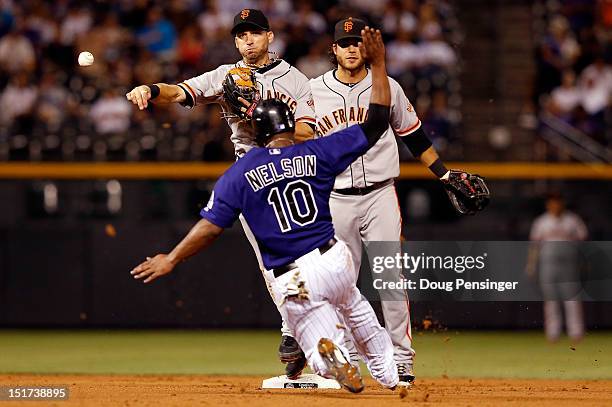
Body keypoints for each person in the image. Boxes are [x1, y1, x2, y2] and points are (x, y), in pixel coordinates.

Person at [130, 27, 402, 393]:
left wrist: (172, 259)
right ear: (289, 123)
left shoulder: (239, 175)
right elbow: (375, 123)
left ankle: (328, 359)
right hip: (335, 260)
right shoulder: (317, 154)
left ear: (254, 130)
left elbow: (210, 228)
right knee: (359, 312)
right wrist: (380, 63)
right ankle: (391, 376)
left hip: (292, 276)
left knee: (311, 330)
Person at [125, 8, 316, 379]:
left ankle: (311, 329)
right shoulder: (224, 75)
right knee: (271, 262)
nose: (248, 40)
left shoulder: (294, 79)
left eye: (255, 33)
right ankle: (293, 330)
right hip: (251, 175)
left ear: (270, 37)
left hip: (292, 173)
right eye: (241, 35)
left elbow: (309, 131)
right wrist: (149, 89)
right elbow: (180, 91)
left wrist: (261, 112)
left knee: (308, 257)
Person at [308, 17, 455, 385]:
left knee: (391, 276)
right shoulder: (313, 90)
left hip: (380, 194)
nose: (352, 47)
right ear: (333, 50)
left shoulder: (387, 86)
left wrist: (446, 175)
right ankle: (351, 358)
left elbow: (415, 136)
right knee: (340, 283)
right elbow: (300, 135)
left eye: (358, 41)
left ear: (368, 47)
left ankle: (402, 358)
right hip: (335, 197)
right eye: (345, 43)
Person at [527, 193, 588, 343]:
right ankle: (552, 333)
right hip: (548, 265)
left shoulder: (572, 220)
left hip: (569, 264)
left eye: (558, 202)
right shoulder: (541, 222)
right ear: (548, 205)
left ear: (562, 203)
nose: (555, 205)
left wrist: (584, 261)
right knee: (550, 300)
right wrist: (531, 265)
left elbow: (583, 243)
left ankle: (576, 332)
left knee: (572, 299)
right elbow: (535, 246)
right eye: (552, 203)